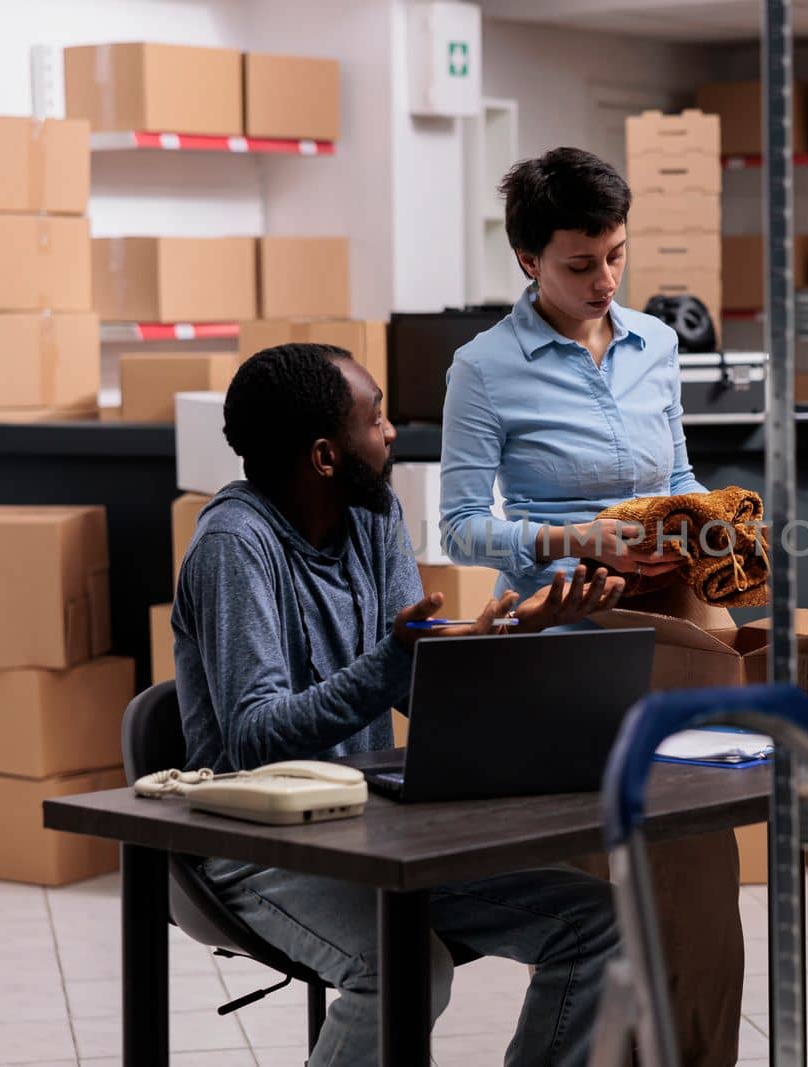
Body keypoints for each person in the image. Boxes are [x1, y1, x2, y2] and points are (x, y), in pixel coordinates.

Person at [172, 342, 628, 1067]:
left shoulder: (372, 512)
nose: (391, 433)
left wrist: (514, 634)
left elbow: (416, 685)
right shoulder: (235, 544)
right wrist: (396, 657)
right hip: (251, 845)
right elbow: (255, 735)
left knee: (602, 923)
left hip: (372, 828)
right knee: (406, 967)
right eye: (376, 418)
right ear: (325, 455)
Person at [438, 147, 745, 1066]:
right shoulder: (483, 367)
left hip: (671, 626)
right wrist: (578, 540)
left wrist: (707, 519)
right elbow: (459, 528)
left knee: (695, 873)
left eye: (616, 254)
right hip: (563, 639)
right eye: (581, 263)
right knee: (591, 906)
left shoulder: (656, 344)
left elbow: (677, 473)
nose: (605, 279)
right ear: (529, 260)